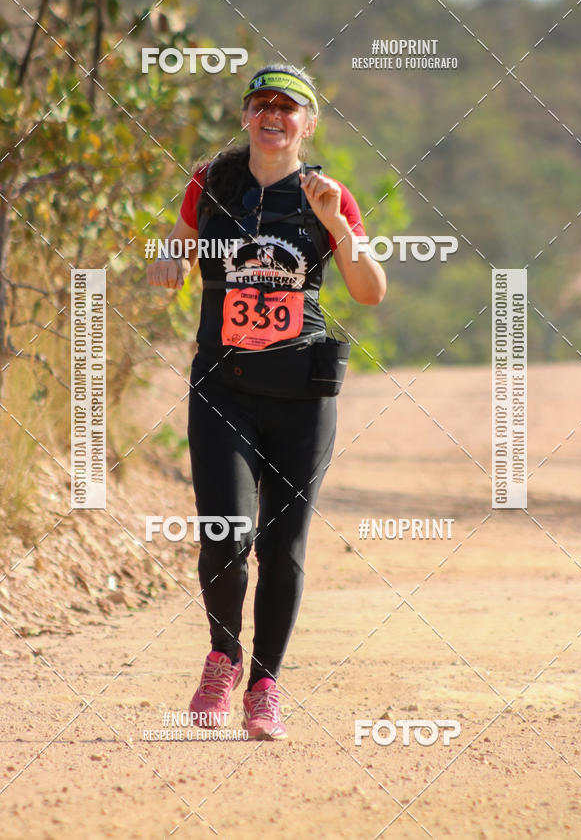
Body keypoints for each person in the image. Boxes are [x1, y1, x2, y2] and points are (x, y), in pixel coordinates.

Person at [147, 64, 386, 740]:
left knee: (283, 548)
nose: (273, 116)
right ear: (247, 115)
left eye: (288, 107)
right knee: (226, 533)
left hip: (300, 395)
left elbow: (369, 290)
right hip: (222, 389)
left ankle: (266, 687)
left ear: (308, 124)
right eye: (261, 105)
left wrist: (336, 225)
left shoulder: (326, 193)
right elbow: (175, 245)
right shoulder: (213, 180)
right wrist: (166, 260)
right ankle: (222, 658)